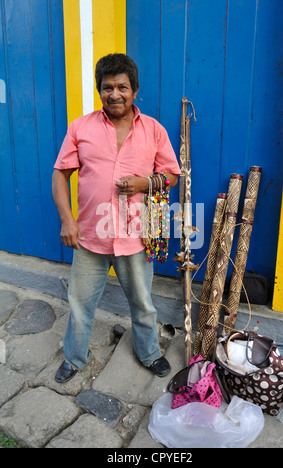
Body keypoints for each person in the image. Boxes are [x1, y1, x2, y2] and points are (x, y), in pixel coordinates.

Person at [52, 53, 181, 384]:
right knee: (80, 305)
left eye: (122, 86)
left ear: (134, 89)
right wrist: (68, 220)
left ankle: (149, 353)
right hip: (90, 237)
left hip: (136, 236)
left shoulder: (153, 130)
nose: (114, 94)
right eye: (107, 87)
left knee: (143, 304)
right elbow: (60, 175)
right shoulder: (81, 128)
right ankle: (74, 357)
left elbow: (171, 175)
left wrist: (144, 183)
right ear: (100, 91)